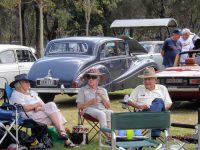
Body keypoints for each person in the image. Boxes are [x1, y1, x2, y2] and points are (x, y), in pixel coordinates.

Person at [9, 74, 77, 148]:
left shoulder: (32, 92)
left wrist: (38, 107)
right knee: (56, 114)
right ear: (19, 84)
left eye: (28, 82)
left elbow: (43, 104)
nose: (29, 83)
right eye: (26, 82)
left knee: (51, 105)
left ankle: (64, 136)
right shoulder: (16, 95)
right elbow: (25, 108)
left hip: (40, 111)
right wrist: (36, 105)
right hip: (30, 115)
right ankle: (65, 138)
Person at [127, 67, 172, 137]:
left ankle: (153, 123)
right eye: (145, 79)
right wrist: (139, 106)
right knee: (158, 103)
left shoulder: (162, 88)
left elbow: (169, 103)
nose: (147, 81)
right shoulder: (139, 88)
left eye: (149, 79)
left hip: (160, 114)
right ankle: (155, 130)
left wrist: (159, 109)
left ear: (155, 80)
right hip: (143, 115)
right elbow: (129, 101)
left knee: (158, 101)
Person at [76, 68, 113, 136]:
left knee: (110, 113)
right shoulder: (82, 90)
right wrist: (89, 102)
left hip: (102, 110)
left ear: (98, 79)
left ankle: (110, 135)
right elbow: (79, 106)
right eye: (89, 77)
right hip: (88, 110)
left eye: (93, 77)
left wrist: (102, 96)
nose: (90, 79)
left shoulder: (103, 90)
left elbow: (108, 106)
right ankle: (109, 136)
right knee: (101, 114)